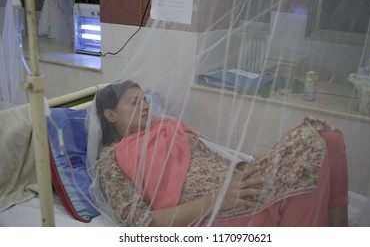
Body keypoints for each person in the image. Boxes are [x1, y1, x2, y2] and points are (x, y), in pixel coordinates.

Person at [87, 80, 348, 227]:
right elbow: (143, 224)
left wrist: (243, 169)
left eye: (144, 99)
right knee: (314, 141)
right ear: (110, 115)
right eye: (135, 102)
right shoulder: (112, 160)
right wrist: (220, 199)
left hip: (238, 188)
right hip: (214, 213)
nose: (145, 106)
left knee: (328, 138)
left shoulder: (168, 127)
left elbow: (207, 159)